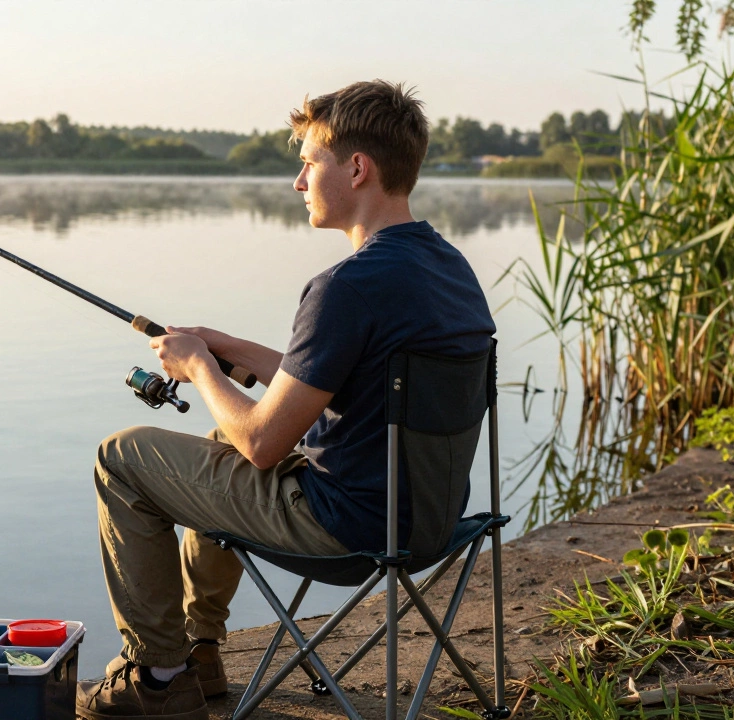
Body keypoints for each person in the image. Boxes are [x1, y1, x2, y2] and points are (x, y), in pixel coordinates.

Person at [74, 79, 497, 720]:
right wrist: (230, 349)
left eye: (308, 162)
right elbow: (360, 384)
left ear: (357, 169)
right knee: (214, 444)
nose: (298, 182)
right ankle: (200, 652)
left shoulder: (345, 287)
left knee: (123, 457)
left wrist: (197, 368)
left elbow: (264, 445)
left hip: (343, 527)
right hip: (428, 518)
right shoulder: (449, 269)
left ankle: (159, 680)